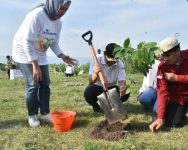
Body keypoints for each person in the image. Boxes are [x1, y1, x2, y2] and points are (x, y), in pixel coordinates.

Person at [12, 0, 76, 128]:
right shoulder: (37, 16)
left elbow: (53, 43)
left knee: (45, 83)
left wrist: (62, 56)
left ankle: (45, 113)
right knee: (32, 84)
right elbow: (27, 42)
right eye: (61, 9)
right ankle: (32, 115)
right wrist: (35, 65)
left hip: (40, 53)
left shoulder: (58, 23)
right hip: (24, 52)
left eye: (65, 10)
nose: (62, 13)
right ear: (54, 5)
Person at [84, 43, 130, 113]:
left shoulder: (120, 63)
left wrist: (121, 88)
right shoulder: (96, 60)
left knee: (125, 94)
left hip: (111, 88)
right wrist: (95, 73)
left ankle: (113, 106)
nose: (112, 62)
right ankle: (96, 107)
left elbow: (121, 80)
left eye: (115, 60)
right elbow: (91, 81)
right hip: (98, 87)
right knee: (89, 93)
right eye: (110, 60)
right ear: (105, 54)